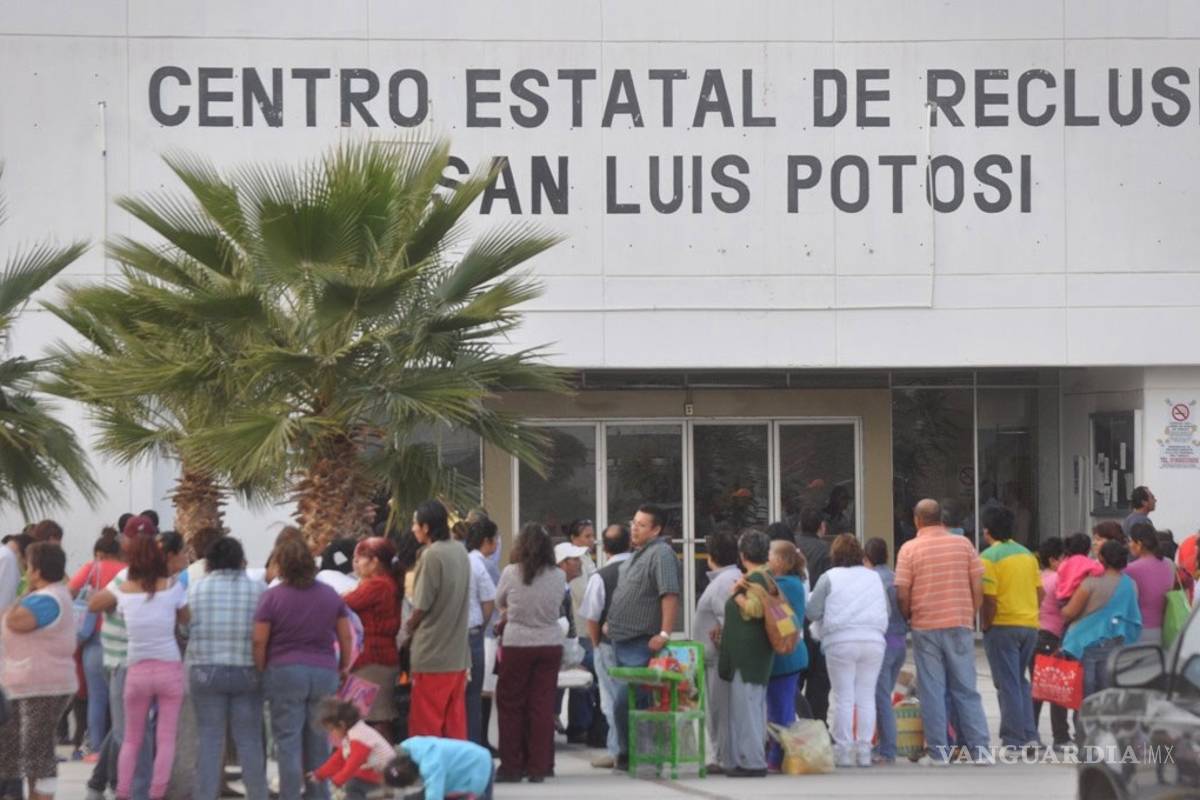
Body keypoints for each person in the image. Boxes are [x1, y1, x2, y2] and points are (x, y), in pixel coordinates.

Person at [89, 527, 190, 800]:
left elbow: (105, 605)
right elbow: (184, 618)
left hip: (135, 669)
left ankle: (124, 792)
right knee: (166, 738)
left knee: (131, 738)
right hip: (168, 667)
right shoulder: (173, 585)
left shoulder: (123, 589)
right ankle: (155, 793)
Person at [253, 537, 353, 800]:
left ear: (281, 564)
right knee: (318, 742)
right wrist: (343, 667)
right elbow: (346, 636)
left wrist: (262, 669)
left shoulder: (271, 597)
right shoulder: (329, 595)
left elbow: (259, 639)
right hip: (323, 673)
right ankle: (318, 795)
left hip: (284, 672)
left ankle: (289, 795)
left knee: (288, 741)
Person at [894, 498, 991, 765]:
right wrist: (969, 613)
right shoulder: (964, 545)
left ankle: (939, 752)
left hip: (925, 626)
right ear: (941, 518)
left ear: (917, 520)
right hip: (959, 623)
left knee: (932, 690)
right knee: (966, 688)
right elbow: (978, 585)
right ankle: (980, 751)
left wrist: (909, 615)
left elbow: (903, 591)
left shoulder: (909, 549)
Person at [186, 536, 268, 800]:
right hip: (247, 670)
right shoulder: (258, 590)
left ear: (208, 562)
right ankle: (257, 794)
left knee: (210, 740)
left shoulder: (195, 589)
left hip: (205, 670)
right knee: (249, 740)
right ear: (240, 560)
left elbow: (184, 628)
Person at [604, 504, 682, 770]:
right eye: (633, 522)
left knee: (629, 700)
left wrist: (664, 632)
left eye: (641, 525)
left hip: (641, 642)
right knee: (623, 702)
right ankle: (629, 754)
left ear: (656, 529)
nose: (634, 528)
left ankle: (642, 755)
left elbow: (669, 593)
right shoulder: (637, 555)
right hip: (620, 640)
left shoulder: (661, 553)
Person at [84, 515, 158, 800]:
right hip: (150, 661)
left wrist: (117, 595)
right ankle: (98, 782)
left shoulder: (128, 576)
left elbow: (94, 603)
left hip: (124, 663)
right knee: (127, 729)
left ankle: (133, 790)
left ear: (127, 542)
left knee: (130, 733)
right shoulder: (163, 575)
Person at [0, 543, 77, 800]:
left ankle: (40, 796)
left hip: (43, 685)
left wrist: (17, 602)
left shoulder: (47, 599)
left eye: (29, 566)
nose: (26, 571)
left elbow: (15, 621)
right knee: (21, 751)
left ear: (37, 570)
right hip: (28, 684)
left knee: (37, 753)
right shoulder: (48, 595)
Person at [806, 534, 887, 768]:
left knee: (843, 697)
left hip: (840, 641)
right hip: (873, 640)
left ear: (835, 554)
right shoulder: (874, 578)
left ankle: (843, 750)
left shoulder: (828, 578)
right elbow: (887, 610)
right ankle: (864, 750)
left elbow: (812, 612)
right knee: (866, 696)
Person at [494, 523, 566, 784]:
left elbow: (500, 601)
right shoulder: (558, 575)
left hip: (517, 644)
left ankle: (512, 766)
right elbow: (558, 604)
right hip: (549, 643)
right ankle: (540, 765)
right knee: (542, 706)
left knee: (511, 706)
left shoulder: (511, 572)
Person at [404, 500, 471, 740]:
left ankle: (428, 771)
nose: (412, 529)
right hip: (457, 654)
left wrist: (407, 630)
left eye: (415, 524)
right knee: (454, 721)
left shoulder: (432, 555)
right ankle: (456, 770)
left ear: (426, 527)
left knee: (426, 721)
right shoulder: (460, 551)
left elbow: (421, 605)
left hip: (432, 652)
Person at [979, 506, 1042, 752]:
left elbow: (989, 598)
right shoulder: (1027, 555)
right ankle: (1030, 734)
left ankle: (1013, 738)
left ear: (987, 531)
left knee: (1006, 683)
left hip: (1003, 625)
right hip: (1029, 625)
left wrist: (986, 623)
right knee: (1019, 681)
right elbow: (1040, 592)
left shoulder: (988, 557)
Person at [716, 529, 775, 778]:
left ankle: (752, 762)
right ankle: (751, 758)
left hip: (748, 657)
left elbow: (755, 609)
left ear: (743, 555)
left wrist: (737, 595)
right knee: (752, 706)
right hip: (753, 654)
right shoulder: (764, 577)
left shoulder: (755, 580)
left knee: (748, 708)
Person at [580, 523, 633, 770]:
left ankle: (617, 751)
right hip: (642, 644)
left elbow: (592, 616)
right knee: (638, 697)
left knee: (611, 700)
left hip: (610, 645)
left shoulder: (601, 576)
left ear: (605, 548)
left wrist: (597, 644)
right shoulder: (642, 570)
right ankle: (634, 749)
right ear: (630, 543)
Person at [1062, 539, 1143, 701]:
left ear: (1102, 559)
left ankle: (1084, 725)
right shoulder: (1131, 585)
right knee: (1105, 694)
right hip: (1114, 643)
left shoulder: (1090, 583)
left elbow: (1069, 612)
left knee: (1085, 694)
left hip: (1085, 643)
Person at [68, 529, 125, 756]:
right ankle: (119, 748)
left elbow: (70, 590)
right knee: (118, 698)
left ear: (99, 552)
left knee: (96, 697)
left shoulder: (91, 568)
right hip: (120, 639)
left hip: (92, 638)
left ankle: (95, 747)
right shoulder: (126, 571)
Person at [690, 528, 741, 774]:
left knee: (720, 710)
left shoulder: (723, 583)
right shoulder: (729, 578)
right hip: (715, 657)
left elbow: (727, 618)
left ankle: (723, 758)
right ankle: (723, 755)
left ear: (712, 556)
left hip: (718, 658)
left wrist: (721, 639)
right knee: (719, 709)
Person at [344, 537, 403, 738]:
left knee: (374, 718)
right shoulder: (387, 583)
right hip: (380, 659)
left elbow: (344, 602)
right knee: (374, 717)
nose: (356, 564)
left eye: (359, 558)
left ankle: (382, 766)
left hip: (373, 661)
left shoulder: (377, 585)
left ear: (374, 561)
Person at [766, 540, 808, 772]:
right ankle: (777, 755)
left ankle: (777, 757)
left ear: (781, 561)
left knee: (780, 709)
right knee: (779, 706)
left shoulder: (784, 585)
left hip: (785, 656)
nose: (766, 560)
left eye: (769, 555)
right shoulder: (791, 583)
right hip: (787, 655)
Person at [864, 536, 907, 765]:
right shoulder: (894, 578)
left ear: (867, 557)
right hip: (899, 641)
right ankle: (884, 744)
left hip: (883, 640)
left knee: (880, 697)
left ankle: (888, 749)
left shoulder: (871, 580)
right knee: (885, 695)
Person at [1031, 537, 1073, 749]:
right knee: (1057, 689)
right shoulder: (1059, 580)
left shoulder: (1039, 577)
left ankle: (1031, 734)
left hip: (1036, 635)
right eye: (1064, 558)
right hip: (1053, 637)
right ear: (1054, 559)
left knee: (1037, 689)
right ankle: (1061, 737)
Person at [311, 699, 394, 800]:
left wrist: (337, 781)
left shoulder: (359, 737)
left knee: (353, 783)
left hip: (383, 779)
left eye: (332, 730)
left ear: (342, 725)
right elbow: (339, 759)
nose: (331, 734)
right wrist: (320, 774)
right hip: (372, 776)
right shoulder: (352, 734)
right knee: (352, 784)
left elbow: (353, 764)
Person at [794, 508, 831, 725]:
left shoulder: (793, 548)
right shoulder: (824, 550)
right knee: (818, 680)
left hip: (796, 619)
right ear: (821, 527)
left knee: (794, 679)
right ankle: (817, 724)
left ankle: (793, 723)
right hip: (817, 621)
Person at [465, 519, 498, 748]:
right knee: (474, 694)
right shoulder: (483, 565)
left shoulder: (464, 561)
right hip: (475, 632)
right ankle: (475, 743)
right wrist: (484, 625)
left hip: (458, 632)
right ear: (486, 541)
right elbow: (489, 600)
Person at [564, 518, 597, 743]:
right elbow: (583, 594)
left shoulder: (586, 560)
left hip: (587, 626)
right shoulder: (573, 562)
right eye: (586, 536)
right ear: (574, 539)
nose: (591, 540)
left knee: (584, 678)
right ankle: (578, 725)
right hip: (580, 626)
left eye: (592, 535)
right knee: (580, 678)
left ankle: (581, 723)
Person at [385, 736, 495, 800]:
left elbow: (434, 794)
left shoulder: (431, 765)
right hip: (470, 759)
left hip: (479, 767)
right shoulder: (410, 747)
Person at [1124, 523, 1176, 645]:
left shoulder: (1130, 569)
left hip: (1137, 631)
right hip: (1162, 630)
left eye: (1131, 541)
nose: (1129, 545)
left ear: (1139, 544)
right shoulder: (1169, 564)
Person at [1056, 532, 1103, 600]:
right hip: (1075, 596)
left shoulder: (1065, 562)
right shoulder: (1085, 561)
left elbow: (1060, 572)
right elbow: (1099, 570)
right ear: (1088, 549)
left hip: (1061, 597)